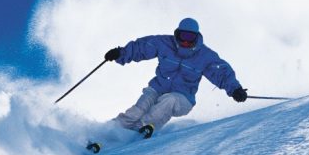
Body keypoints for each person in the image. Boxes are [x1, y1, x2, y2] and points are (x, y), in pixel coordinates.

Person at [104, 18, 247, 139]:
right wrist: (120, 53)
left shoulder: (205, 56)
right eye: (183, 36)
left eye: (190, 37)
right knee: (139, 108)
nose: (185, 41)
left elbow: (221, 72)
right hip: (158, 88)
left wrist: (235, 89)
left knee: (168, 101)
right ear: (177, 34)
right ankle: (109, 131)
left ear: (196, 37)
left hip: (183, 98)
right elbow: (141, 48)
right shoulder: (164, 43)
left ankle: (140, 130)